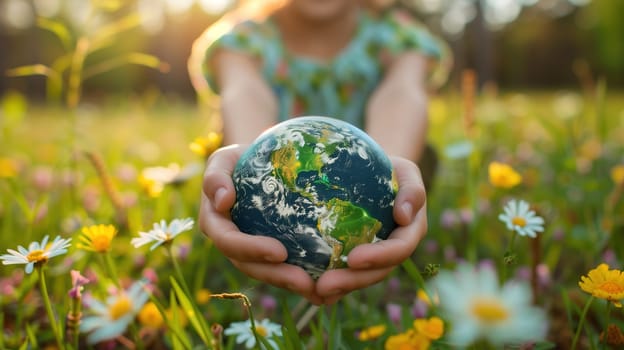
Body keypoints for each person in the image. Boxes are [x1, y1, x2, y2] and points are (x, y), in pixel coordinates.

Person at [190, 0, 448, 305]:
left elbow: (401, 93)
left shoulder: (396, 34)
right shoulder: (243, 39)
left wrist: (386, 183)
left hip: (357, 179)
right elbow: (245, 93)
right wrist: (250, 182)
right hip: (284, 187)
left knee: (425, 154)